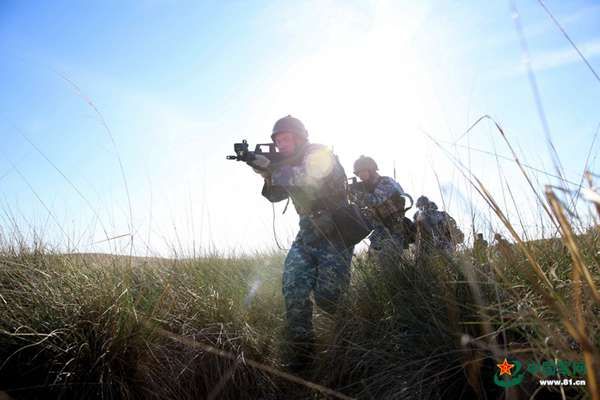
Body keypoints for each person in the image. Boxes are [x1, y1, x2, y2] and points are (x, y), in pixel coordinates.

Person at [247, 115, 355, 372]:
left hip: (336, 231)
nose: (281, 144)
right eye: (277, 140)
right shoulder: (286, 164)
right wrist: (265, 174)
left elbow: (308, 178)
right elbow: (275, 196)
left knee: (330, 298)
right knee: (294, 288)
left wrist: (274, 169)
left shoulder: (319, 154)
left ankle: (350, 343)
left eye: (285, 138)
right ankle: (303, 354)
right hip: (307, 232)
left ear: (299, 138)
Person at [349, 155, 413, 271]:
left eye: (363, 172)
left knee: (388, 268)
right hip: (379, 233)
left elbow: (376, 200)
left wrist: (355, 194)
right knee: (373, 268)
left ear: (372, 170)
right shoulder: (365, 188)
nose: (360, 176)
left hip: (393, 230)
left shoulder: (386, 182)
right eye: (358, 174)